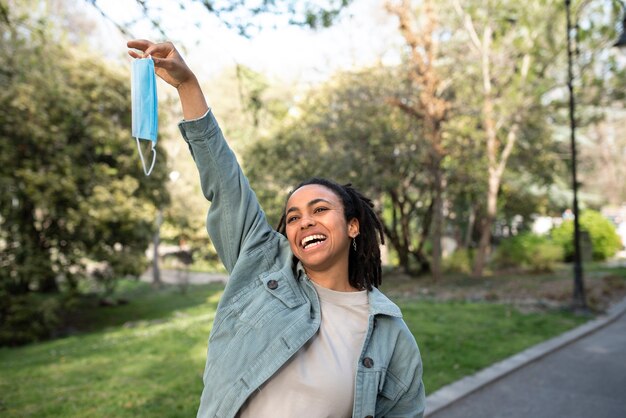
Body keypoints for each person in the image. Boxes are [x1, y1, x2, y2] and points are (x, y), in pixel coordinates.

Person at [127, 39, 425, 418]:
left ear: (353, 226)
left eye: (319, 209)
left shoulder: (390, 336)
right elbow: (225, 182)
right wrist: (188, 85)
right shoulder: (262, 264)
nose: (305, 222)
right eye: (294, 217)